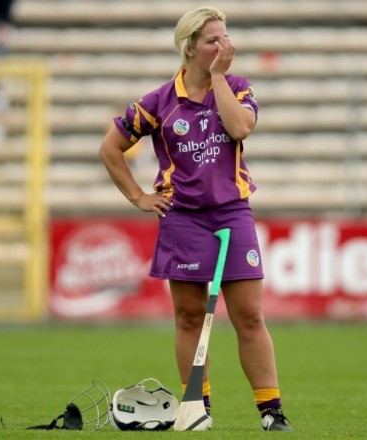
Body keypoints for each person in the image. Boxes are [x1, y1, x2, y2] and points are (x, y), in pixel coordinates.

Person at [99, 6, 293, 432]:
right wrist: (138, 196)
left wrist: (219, 76)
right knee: (188, 317)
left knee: (250, 317)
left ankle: (271, 410)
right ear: (189, 47)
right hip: (182, 218)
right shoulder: (157, 102)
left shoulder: (239, 86)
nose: (224, 46)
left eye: (225, 38)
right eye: (213, 41)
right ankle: (195, 407)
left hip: (232, 213)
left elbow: (240, 128)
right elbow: (110, 149)